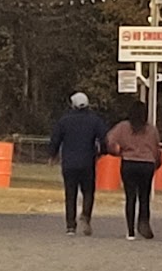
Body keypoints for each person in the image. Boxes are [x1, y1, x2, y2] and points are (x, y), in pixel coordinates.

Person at [49, 92, 107, 236]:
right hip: (87, 162)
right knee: (88, 191)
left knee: (70, 194)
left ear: (73, 104)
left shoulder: (64, 120)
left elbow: (56, 139)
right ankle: (86, 215)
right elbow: (104, 138)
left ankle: (70, 226)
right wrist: (101, 152)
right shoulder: (94, 120)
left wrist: (52, 155)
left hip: (69, 163)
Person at [108, 101, 162, 240]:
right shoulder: (151, 130)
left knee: (130, 197)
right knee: (144, 197)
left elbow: (110, 141)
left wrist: (117, 152)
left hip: (129, 162)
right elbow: (156, 149)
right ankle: (143, 222)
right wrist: (157, 163)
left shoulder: (123, 127)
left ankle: (130, 231)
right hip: (146, 164)